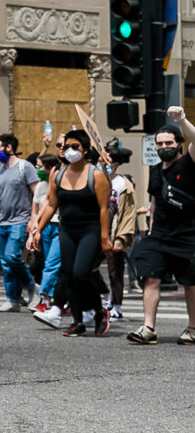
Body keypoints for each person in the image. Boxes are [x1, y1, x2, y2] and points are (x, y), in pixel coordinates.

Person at [29, 130, 111, 337]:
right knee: (68, 275)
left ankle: (100, 311)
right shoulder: (58, 174)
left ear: (84, 150)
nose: (69, 151)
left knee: (81, 273)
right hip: (66, 230)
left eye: (75, 147)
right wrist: (38, 230)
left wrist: (104, 237)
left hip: (89, 231)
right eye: (66, 147)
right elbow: (50, 205)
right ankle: (77, 321)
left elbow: (104, 209)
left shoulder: (96, 175)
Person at [127, 108, 195, 345]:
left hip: (188, 235)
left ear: (179, 144)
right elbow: (155, 201)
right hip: (159, 235)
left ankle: (192, 328)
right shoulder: (155, 170)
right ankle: (148, 328)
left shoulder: (189, 163)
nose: (163, 146)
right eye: (159, 143)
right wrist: (151, 228)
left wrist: (182, 119)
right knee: (151, 278)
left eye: (168, 142)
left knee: (189, 283)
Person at [0, 132, 39, 312]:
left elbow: (37, 194)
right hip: (3, 223)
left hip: (20, 221)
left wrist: (34, 219)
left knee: (12, 257)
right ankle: (12, 299)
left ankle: (31, 286)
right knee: (6, 262)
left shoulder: (25, 167)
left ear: (9, 147)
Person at [106, 146, 137, 322]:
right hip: (96, 233)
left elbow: (128, 214)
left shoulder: (124, 186)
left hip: (115, 233)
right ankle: (105, 301)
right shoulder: (96, 179)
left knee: (115, 272)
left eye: (107, 161)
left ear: (115, 164)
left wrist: (121, 238)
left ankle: (116, 307)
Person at [28, 153, 61, 313]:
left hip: (59, 225)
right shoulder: (41, 186)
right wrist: (34, 231)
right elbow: (36, 210)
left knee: (51, 264)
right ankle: (54, 298)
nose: (37, 169)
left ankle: (46, 300)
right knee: (48, 262)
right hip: (44, 227)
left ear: (50, 168)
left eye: (40, 167)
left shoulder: (61, 182)